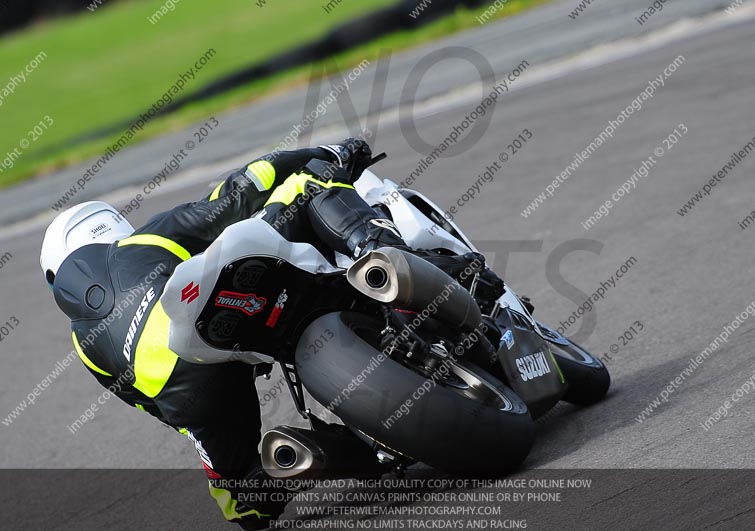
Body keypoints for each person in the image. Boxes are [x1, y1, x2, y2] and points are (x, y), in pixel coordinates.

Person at [40, 139, 485, 529]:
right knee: (310, 184)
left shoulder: (84, 347)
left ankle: (298, 457)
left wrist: (209, 422)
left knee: (245, 505)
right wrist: (329, 154)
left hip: (191, 391)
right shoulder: (141, 242)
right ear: (111, 228)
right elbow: (240, 191)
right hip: (216, 316)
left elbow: (153, 405)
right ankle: (378, 257)